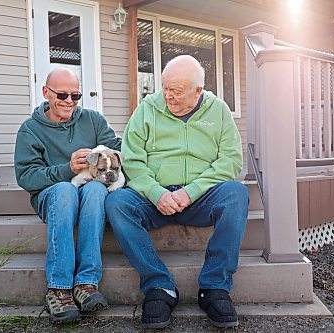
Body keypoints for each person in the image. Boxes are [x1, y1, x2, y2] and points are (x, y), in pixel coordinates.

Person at [105, 55, 249, 329]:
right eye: (165, 88)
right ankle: (159, 286)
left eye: (177, 91)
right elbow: (133, 159)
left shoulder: (218, 111)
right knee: (117, 202)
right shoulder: (147, 108)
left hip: (199, 198)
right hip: (153, 199)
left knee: (236, 194)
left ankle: (215, 287)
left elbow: (230, 161)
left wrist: (191, 192)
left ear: (198, 91)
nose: (168, 96)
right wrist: (156, 192)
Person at [14, 68, 121, 324]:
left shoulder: (94, 120)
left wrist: (100, 152)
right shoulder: (30, 130)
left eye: (76, 95)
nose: (69, 101)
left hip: (88, 193)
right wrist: (68, 169)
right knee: (65, 189)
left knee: (96, 189)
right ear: (45, 92)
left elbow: (116, 149)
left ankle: (86, 284)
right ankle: (59, 288)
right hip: (53, 197)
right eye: (62, 94)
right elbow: (27, 177)